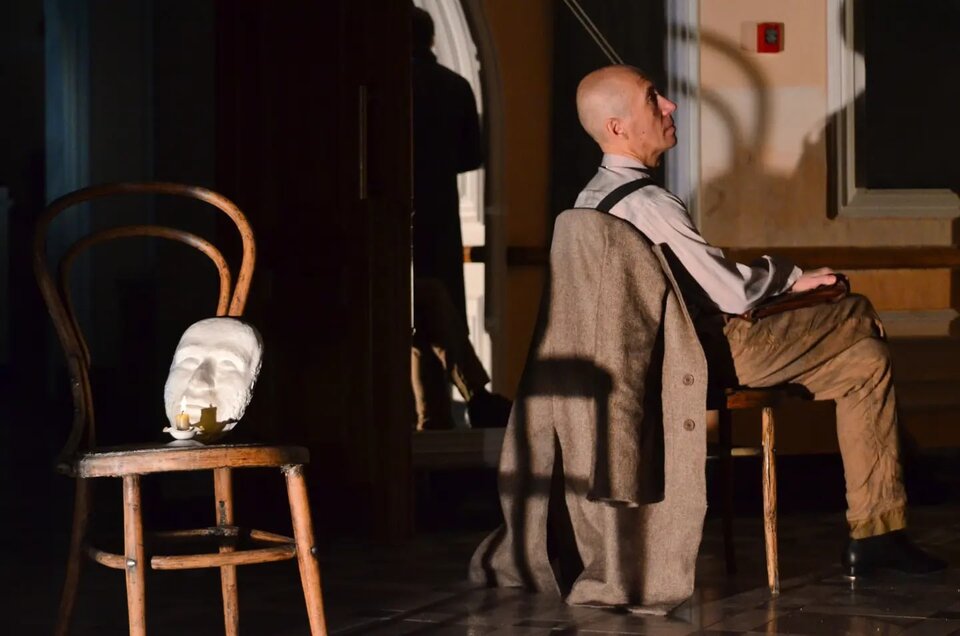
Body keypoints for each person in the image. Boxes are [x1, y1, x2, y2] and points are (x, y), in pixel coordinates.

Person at [570, 64, 945, 577]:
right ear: (617, 127)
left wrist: (786, 284)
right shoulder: (649, 203)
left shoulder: (588, 200)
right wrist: (792, 279)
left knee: (866, 362)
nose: (670, 106)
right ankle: (917, 465)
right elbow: (729, 293)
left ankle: (878, 535)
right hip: (704, 356)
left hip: (650, 363)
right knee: (853, 309)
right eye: (653, 98)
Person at [410, 7, 509, 429]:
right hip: (440, 215)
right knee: (435, 307)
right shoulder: (454, 86)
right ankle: (458, 405)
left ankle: (435, 415)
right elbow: (470, 156)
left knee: (419, 317)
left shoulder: (387, 87)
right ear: (432, 39)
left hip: (397, 219)